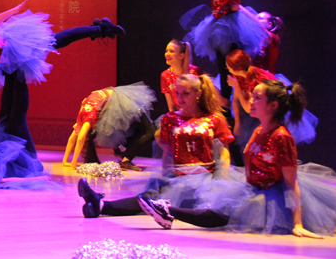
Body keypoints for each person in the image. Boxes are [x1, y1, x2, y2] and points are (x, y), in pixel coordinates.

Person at [138, 79, 336, 235]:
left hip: (275, 196)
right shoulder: (259, 131)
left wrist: (297, 223)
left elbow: (291, 183)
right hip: (254, 188)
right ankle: (168, 211)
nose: (250, 101)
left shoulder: (281, 137)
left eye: (256, 98)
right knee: (221, 214)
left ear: (273, 105)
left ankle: (168, 211)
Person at [0, 0, 125, 154]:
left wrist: (14, 11)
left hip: (15, 50)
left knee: (55, 41)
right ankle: (12, 156)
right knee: (7, 115)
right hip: (7, 63)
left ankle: (101, 28)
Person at [77, 74, 234, 218]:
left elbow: (224, 153)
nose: (180, 98)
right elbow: (167, 153)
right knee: (149, 198)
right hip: (179, 176)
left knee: (167, 203)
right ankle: (100, 204)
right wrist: (166, 178)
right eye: (177, 93)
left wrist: (221, 181)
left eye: (186, 93)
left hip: (205, 178)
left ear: (198, 94)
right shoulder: (170, 119)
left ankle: (100, 205)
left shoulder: (214, 120)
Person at [161, 0, 280, 108]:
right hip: (217, 22)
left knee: (233, 59)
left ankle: (243, 90)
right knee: (222, 62)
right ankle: (226, 99)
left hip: (232, 21)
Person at [227, 49, 317, 148]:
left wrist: (236, 86)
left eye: (228, 67)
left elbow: (249, 108)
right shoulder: (239, 77)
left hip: (269, 114)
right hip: (259, 114)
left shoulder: (258, 80)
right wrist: (237, 123)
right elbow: (235, 100)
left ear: (236, 69)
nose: (227, 69)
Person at [62, 83, 155, 169]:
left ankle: (122, 151)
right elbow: (72, 139)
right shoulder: (79, 121)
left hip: (120, 98)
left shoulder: (88, 120)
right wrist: (65, 161)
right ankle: (122, 152)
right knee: (139, 126)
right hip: (111, 97)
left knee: (140, 126)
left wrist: (73, 163)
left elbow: (80, 138)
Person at [161, 40, 204, 113]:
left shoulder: (195, 71)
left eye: (171, 51)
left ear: (181, 56)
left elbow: (203, 98)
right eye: (166, 51)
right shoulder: (165, 75)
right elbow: (171, 106)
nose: (167, 54)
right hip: (180, 115)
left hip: (197, 114)